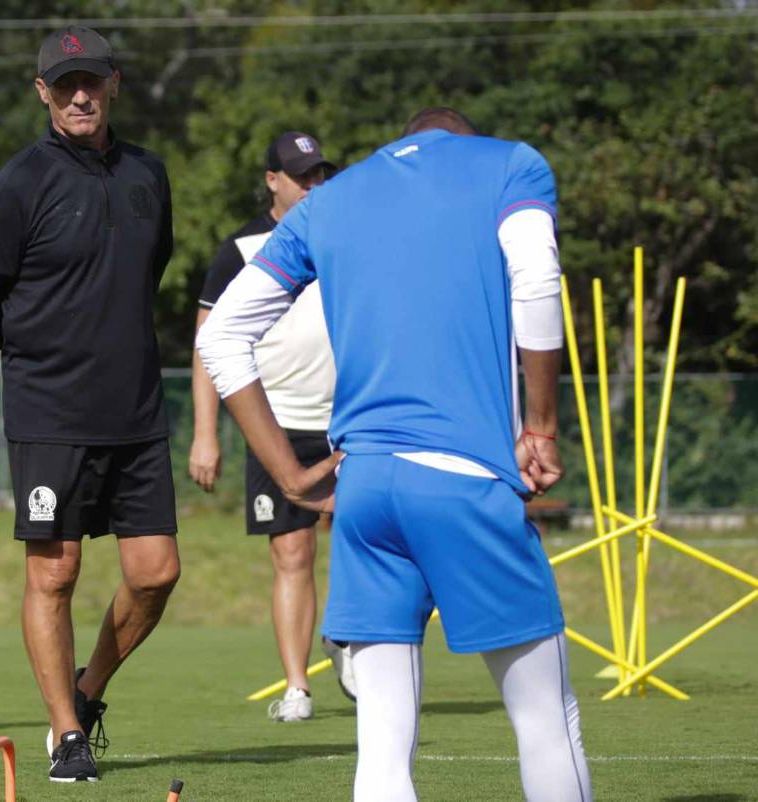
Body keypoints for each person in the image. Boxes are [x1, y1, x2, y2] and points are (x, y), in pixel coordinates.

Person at [196, 107, 593, 801]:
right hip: (465, 480)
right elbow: (535, 279)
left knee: (382, 745)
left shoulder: (333, 199)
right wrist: (541, 425)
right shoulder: (509, 163)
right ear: (460, 140)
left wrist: (289, 474)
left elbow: (221, 334)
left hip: (365, 494)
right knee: (545, 719)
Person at [0, 25, 179, 784]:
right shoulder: (20, 183)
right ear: (42, 90)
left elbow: (149, 271)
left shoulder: (149, 173)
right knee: (55, 573)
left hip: (137, 411)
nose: (80, 94)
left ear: (114, 82)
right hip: (51, 411)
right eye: (64, 83)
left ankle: (86, 691)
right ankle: (65, 734)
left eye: (93, 80)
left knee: (155, 573)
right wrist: (38, 351)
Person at [190, 131, 355, 721]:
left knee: (365, 541)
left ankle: (344, 637)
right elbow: (210, 344)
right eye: (302, 176)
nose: (314, 186)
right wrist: (205, 432)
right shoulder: (241, 248)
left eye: (320, 175)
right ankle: (297, 688)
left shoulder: (346, 237)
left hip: (346, 417)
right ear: (271, 180)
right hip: (275, 424)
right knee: (292, 554)